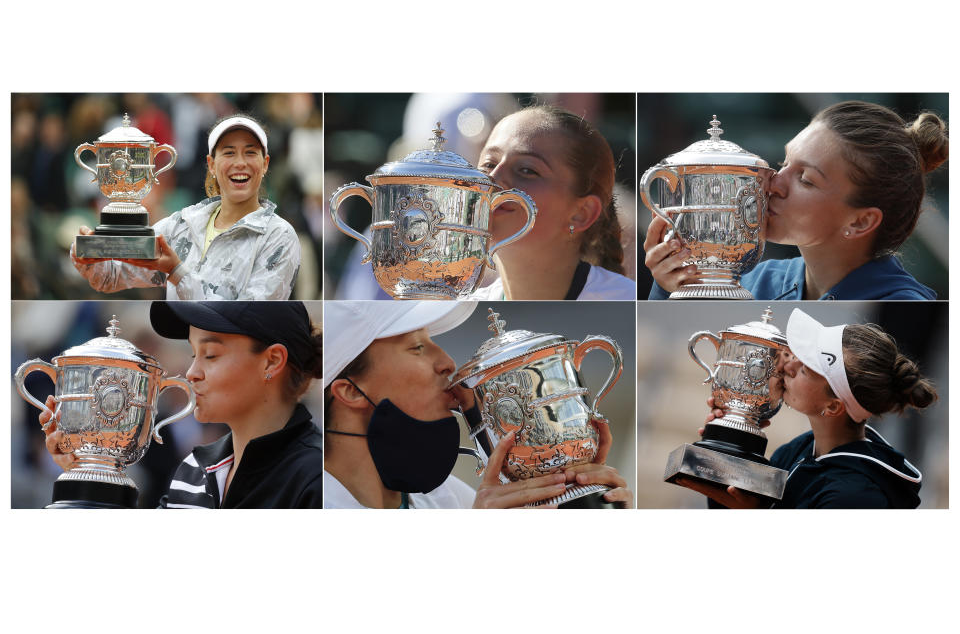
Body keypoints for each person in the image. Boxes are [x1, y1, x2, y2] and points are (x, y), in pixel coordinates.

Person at [323, 301, 632, 508]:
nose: (447, 362)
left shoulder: (448, 498)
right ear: (350, 392)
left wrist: (578, 497)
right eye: (417, 347)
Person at [646, 100, 948, 300]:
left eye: (805, 179)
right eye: (785, 162)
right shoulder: (753, 280)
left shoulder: (904, 303)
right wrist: (672, 288)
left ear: (860, 221)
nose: (773, 183)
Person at [37, 301, 324, 508]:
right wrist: (89, 474)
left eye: (210, 355)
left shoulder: (318, 477)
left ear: (272, 361)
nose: (191, 373)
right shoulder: (195, 469)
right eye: (193, 354)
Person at [678, 308, 936, 509]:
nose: (788, 364)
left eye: (804, 369)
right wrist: (732, 440)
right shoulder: (799, 449)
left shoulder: (854, 497)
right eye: (799, 354)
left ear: (833, 406)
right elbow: (739, 503)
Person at [71, 114, 301, 300]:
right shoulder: (182, 224)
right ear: (211, 164)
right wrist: (88, 253)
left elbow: (248, 318)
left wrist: (177, 273)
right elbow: (111, 277)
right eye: (229, 152)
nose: (240, 162)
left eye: (250, 152)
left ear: (265, 164)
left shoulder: (279, 236)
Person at [470, 105, 636, 300]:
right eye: (489, 164)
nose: (493, 179)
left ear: (582, 213)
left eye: (527, 170)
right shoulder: (458, 313)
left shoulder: (627, 303)